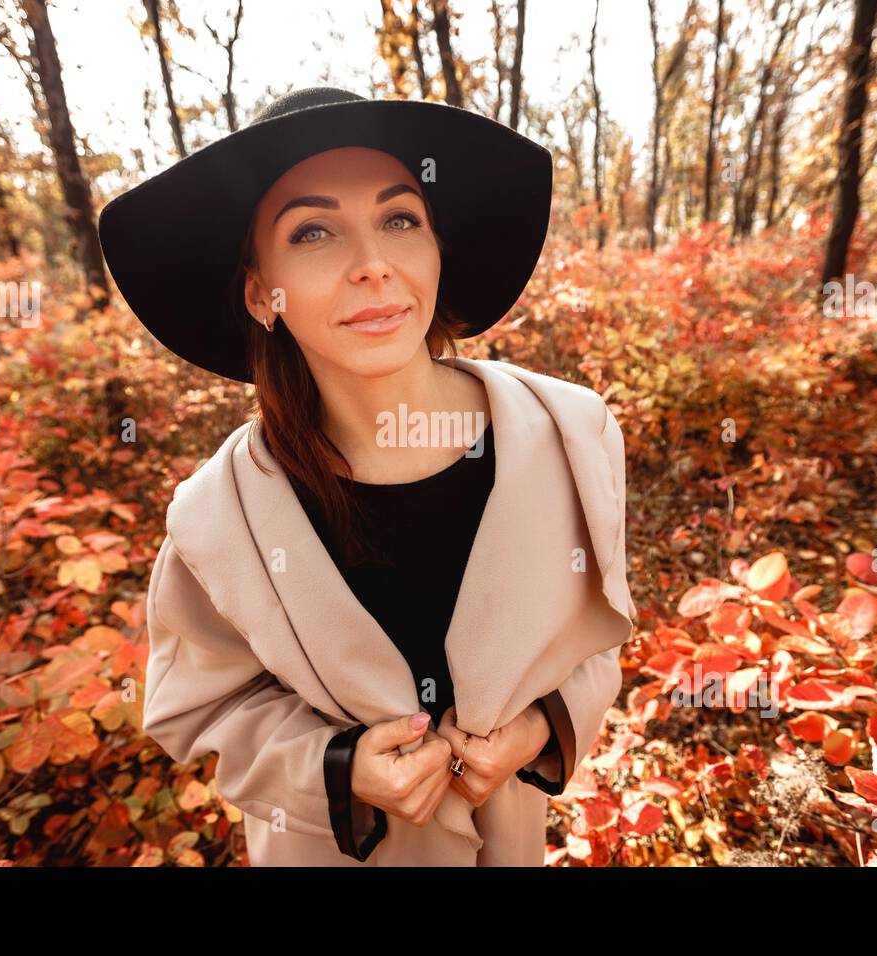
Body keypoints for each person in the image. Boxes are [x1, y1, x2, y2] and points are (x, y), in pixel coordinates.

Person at [98, 86, 636, 866]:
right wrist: (337, 768)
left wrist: (538, 729)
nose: (374, 265)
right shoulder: (220, 516)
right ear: (261, 294)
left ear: (436, 248)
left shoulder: (567, 436)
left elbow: (596, 637)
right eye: (314, 231)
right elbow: (205, 710)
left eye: (399, 219)